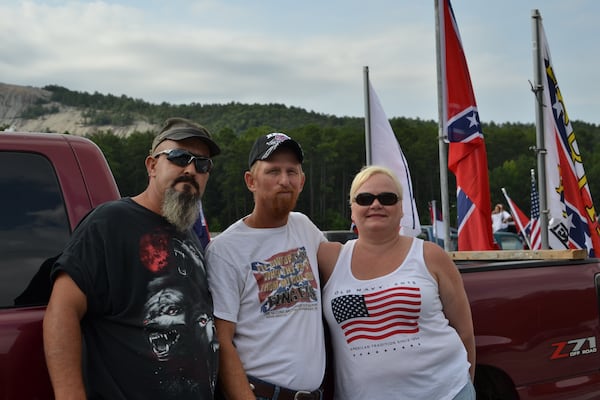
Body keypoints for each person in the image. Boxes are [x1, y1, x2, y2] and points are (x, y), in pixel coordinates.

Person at [43, 117, 221, 400]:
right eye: (179, 157)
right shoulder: (110, 222)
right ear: (152, 165)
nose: (191, 169)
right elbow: (62, 311)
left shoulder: (186, 234)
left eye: (202, 164)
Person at [318, 165, 476, 400]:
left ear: (401, 208)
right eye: (364, 198)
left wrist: (464, 384)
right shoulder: (330, 258)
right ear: (352, 210)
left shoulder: (431, 255)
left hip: (447, 393)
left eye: (387, 198)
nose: (376, 204)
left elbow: (464, 331)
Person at [206, 132, 327, 400]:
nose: (284, 180)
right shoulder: (225, 250)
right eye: (273, 171)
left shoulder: (305, 228)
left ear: (302, 181)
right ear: (251, 181)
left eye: (291, 172)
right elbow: (222, 341)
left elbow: (349, 264)